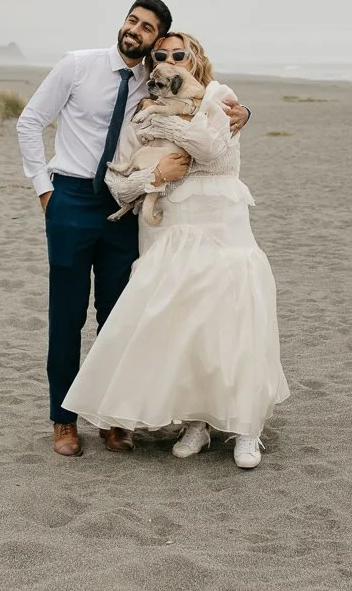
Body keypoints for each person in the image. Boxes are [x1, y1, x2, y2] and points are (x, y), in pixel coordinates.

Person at [16, 0, 252, 457]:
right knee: (66, 315)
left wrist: (245, 112)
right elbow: (29, 122)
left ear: (156, 39)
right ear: (123, 24)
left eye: (147, 29)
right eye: (132, 21)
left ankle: (111, 419)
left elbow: (206, 99)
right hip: (71, 197)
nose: (135, 31)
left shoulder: (157, 79)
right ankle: (63, 420)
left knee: (119, 316)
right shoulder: (77, 66)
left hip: (125, 205)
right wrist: (44, 190)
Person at [61, 31, 288, 468]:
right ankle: (196, 422)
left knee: (232, 316)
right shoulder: (141, 112)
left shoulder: (219, 97)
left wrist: (162, 124)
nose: (169, 61)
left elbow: (211, 150)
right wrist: (152, 177)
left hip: (220, 222)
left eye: (178, 54)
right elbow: (116, 179)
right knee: (184, 322)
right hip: (169, 226)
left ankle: (246, 429)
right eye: (160, 56)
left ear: (195, 57)